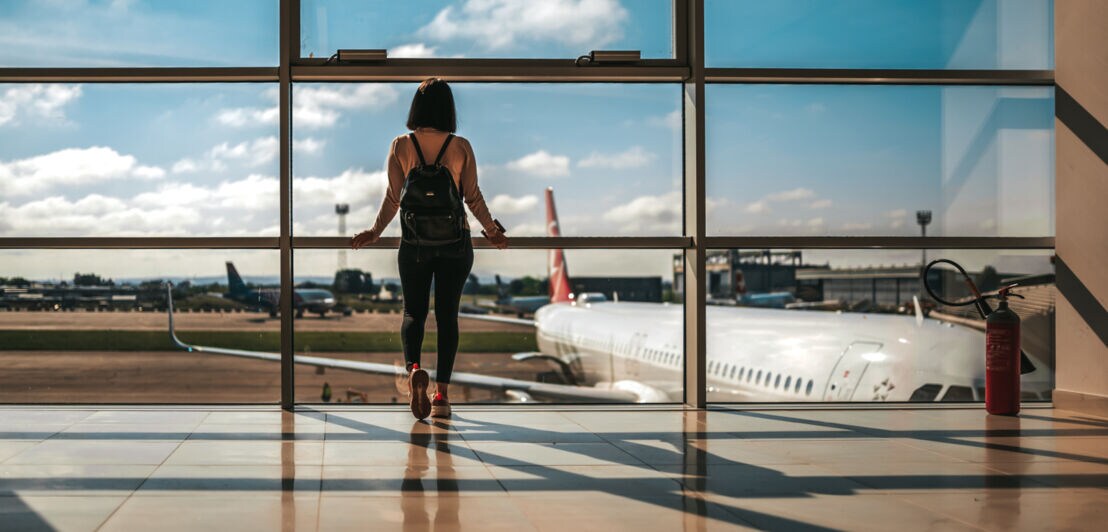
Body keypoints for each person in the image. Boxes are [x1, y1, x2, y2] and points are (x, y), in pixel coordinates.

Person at [351, 78, 508, 420]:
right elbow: (472, 197)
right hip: (455, 244)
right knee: (448, 318)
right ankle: (441, 397)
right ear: (449, 108)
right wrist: (493, 231)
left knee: (413, 314)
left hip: (414, 245)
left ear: (416, 108)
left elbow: (393, 198)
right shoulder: (460, 146)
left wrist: (375, 232)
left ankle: (413, 372)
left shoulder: (401, 145)